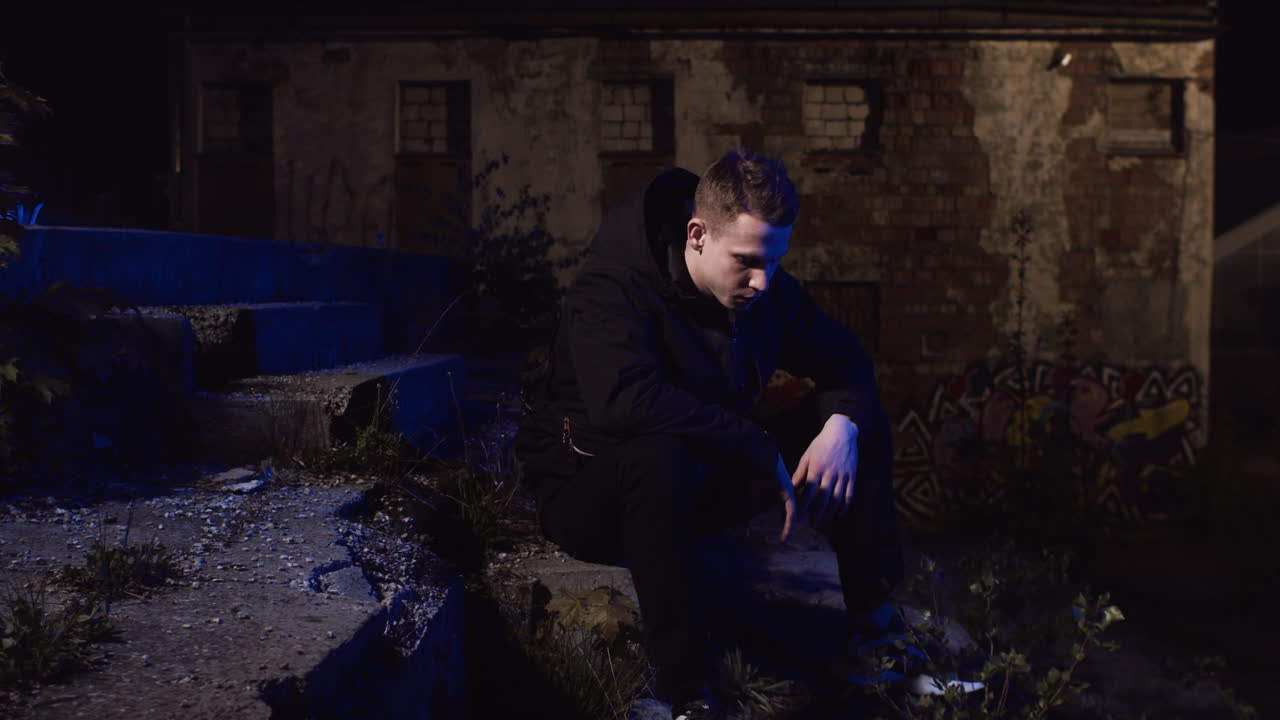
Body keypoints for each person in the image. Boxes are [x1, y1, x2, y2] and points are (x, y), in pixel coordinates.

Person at [514, 147, 904, 716]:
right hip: (596, 492)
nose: (763, 281)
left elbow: (846, 359)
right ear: (697, 234)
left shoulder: (764, 293)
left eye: (773, 262)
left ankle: (877, 635)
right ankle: (689, 694)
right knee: (659, 456)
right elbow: (626, 401)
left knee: (855, 429)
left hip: (701, 482)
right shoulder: (611, 287)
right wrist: (757, 445)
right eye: (746, 261)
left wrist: (840, 425)